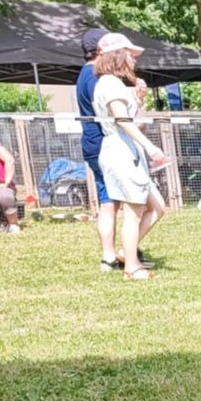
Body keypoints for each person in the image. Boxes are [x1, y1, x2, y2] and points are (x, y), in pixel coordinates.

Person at [91, 33, 168, 279]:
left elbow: (135, 121)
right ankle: (132, 267)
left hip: (129, 150)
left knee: (158, 207)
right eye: (131, 55)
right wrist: (150, 147)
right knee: (134, 211)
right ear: (117, 55)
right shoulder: (109, 84)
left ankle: (127, 251)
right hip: (120, 152)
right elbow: (122, 120)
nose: (134, 60)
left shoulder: (117, 84)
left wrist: (140, 100)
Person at [76, 26, 123, 269]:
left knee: (109, 201)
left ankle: (111, 255)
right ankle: (119, 253)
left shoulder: (83, 74)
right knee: (114, 201)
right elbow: (110, 111)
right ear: (101, 49)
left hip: (92, 144)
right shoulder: (96, 76)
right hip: (105, 144)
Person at [0, 143, 21, 233]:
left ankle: (12, 224)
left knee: (5, 195)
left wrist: (6, 182)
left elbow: (9, 160)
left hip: (1, 184)